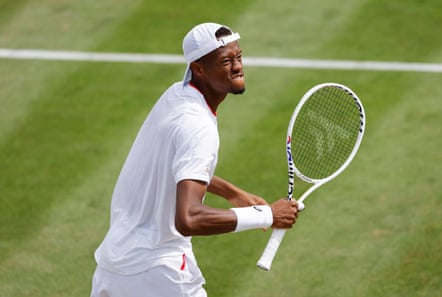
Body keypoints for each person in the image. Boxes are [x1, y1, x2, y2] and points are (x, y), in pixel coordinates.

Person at [90, 22, 300, 297]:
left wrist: (232, 193)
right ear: (199, 68)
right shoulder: (198, 126)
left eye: (238, 57)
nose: (238, 67)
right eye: (226, 61)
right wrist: (267, 215)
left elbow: (175, 166)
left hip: (112, 265)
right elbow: (188, 219)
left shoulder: (175, 95)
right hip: (157, 273)